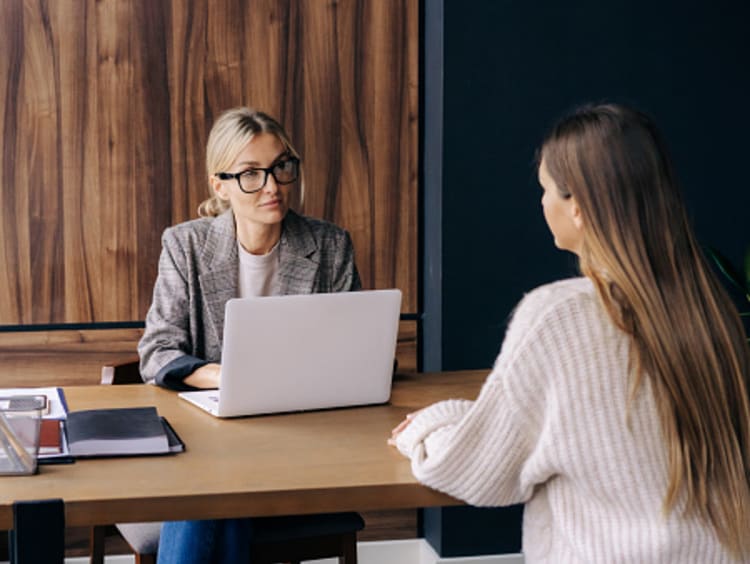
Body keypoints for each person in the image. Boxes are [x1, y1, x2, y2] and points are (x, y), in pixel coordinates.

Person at [390, 104, 750, 562]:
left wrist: (424, 428)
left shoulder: (557, 316)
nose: (541, 203)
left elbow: (477, 469)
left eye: (545, 190)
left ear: (577, 206)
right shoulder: (711, 310)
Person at [138, 106, 361, 563]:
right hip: (210, 440)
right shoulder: (187, 246)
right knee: (217, 485)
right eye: (251, 174)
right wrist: (225, 376)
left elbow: (359, 353)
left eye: (281, 167)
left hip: (303, 442)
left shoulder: (329, 245)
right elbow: (157, 352)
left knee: (211, 490)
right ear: (219, 185)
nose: (272, 187)